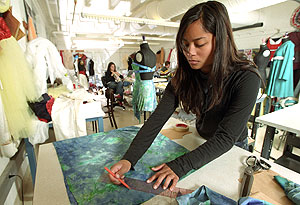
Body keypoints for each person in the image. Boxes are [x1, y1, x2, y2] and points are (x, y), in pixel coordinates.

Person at [108, 1, 262, 192]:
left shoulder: (247, 78)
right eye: (185, 44)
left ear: (221, 40)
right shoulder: (185, 75)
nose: (190, 52)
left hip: (231, 148)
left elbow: (225, 138)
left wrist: (179, 166)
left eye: (200, 44)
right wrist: (129, 159)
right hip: (199, 138)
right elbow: (156, 119)